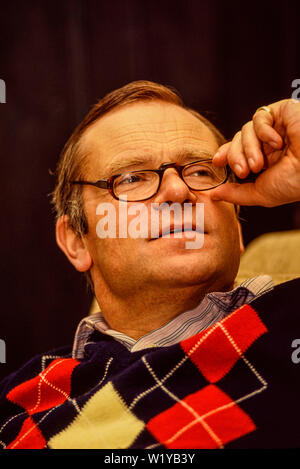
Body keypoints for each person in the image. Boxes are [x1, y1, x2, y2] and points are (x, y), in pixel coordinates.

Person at [0, 81, 300, 450]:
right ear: (78, 241)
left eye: (201, 171)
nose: (177, 192)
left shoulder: (290, 324)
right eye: (130, 178)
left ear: (236, 226)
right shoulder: (26, 398)